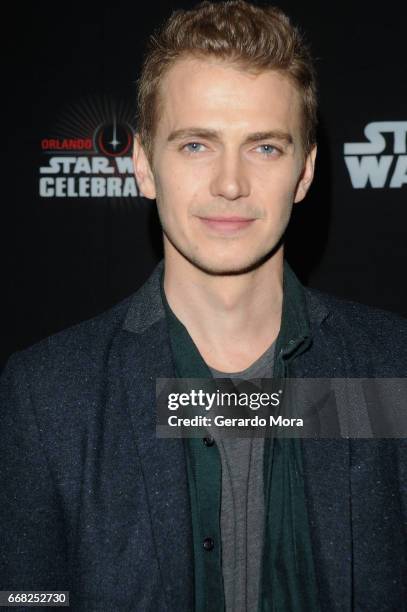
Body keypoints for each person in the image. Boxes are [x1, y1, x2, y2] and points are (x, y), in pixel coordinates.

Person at [1, 1, 406, 610]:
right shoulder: (49, 395)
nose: (230, 183)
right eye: (195, 145)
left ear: (305, 171)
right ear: (143, 164)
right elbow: (28, 600)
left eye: (265, 148)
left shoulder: (391, 372)